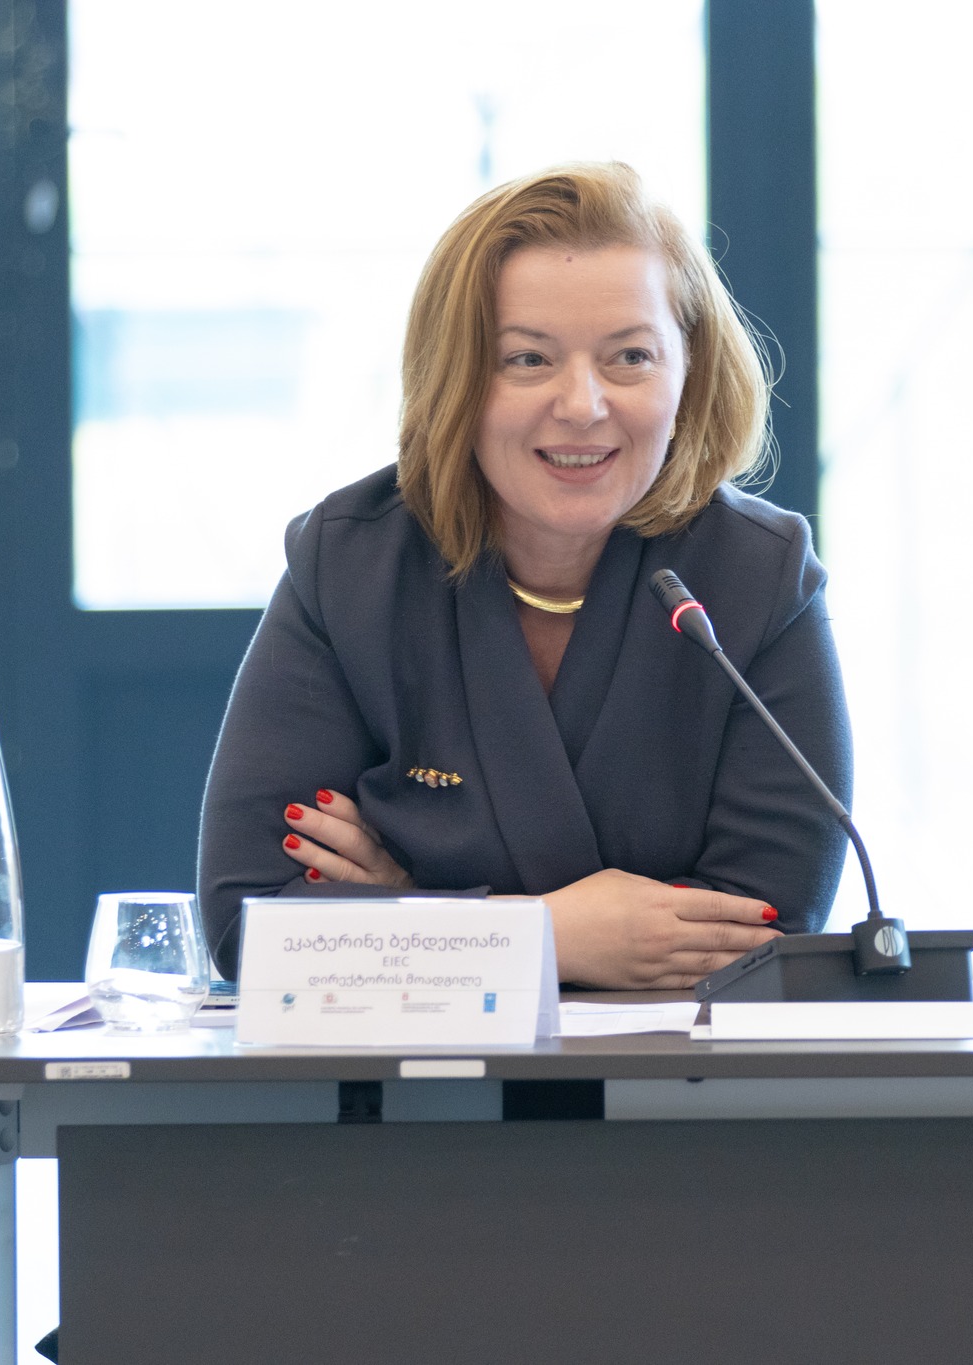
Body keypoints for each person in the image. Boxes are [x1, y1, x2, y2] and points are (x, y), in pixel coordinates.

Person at [196, 162, 852, 990]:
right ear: (457, 377)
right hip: (412, 1073)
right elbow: (250, 925)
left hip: (678, 1074)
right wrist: (545, 934)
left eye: (630, 357)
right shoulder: (351, 563)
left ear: (690, 371)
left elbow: (761, 935)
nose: (582, 405)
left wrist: (414, 911)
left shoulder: (760, 575)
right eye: (528, 359)